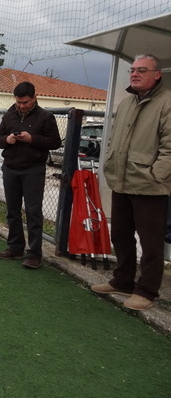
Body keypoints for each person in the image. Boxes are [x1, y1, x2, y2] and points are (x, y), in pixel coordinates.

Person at [92, 54, 171, 310]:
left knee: (150, 241)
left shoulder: (167, 103)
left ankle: (147, 291)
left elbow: (169, 148)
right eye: (133, 70)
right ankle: (123, 280)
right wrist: (110, 164)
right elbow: (114, 139)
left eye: (142, 70)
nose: (135, 74)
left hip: (151, 186)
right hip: (122, 181)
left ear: (157, 74)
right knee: (120, 234)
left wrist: (156, 176)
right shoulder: (127, 102)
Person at [0, 81, 62, 269]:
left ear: (34, 98)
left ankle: (34, 254)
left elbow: (55, 142)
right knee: (12, 210)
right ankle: (15, 248)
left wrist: (32, 139)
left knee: (33, 212)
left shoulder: (46, 117)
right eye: (18, 102)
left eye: (25, 102)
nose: (22, 106)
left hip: (33, 169)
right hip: (10, 168)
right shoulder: (9, 115)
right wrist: (7, 139)